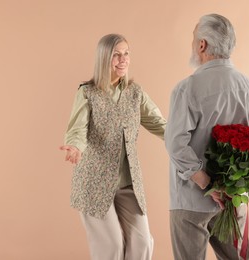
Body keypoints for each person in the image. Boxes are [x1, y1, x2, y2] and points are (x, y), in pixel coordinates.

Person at [164, 14, 249, 260]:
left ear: (202, 45)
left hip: (190, 201)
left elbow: (175, 143)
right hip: (233, 199)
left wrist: (206, 182)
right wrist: (237, 181)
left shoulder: (187, 88)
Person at [60, 33, 166, 260]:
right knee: (111, 247)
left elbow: (160, 124)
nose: (123, 59)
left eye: (126, 53)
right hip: (94, 182)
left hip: (128, 184)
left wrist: (185, 138)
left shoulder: (135, 93)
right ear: (104, 58)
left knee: (143, 243)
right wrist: (75, 147)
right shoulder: (87, 93)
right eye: (116, 55)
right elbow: (77, 130)